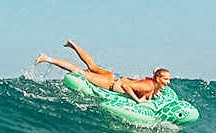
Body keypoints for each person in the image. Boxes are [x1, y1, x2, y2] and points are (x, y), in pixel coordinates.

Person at [35, 40, 172, 103]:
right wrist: (137, 100)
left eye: (169, 79)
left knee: (92, 66)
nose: (168, 81)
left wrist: (156, 90)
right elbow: (127, 86)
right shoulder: (148, 85)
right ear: (158, 78)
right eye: (166, 79)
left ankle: (73, 45)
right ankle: (46, 58)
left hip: (115, 77)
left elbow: (154, 74)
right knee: (79, 72)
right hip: (111, 83)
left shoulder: (153, 83)